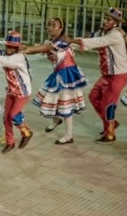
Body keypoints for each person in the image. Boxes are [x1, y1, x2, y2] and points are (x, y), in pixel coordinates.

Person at [26, 17, 87, 145]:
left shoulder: (63, 41)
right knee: (50, 99)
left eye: (54, 26)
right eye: (49, 25)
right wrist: (20, 49)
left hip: (67, 75)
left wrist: (25, 50)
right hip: (58, 74)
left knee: (65, 104)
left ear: (61, 28)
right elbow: (40, 49)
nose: (50, 28)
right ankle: (56, 120)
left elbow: (42, 49)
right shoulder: (49, 41)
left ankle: (69, 135)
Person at [74, 8, 127, 143]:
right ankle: (111, 122)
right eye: (105, 18)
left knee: (107, 103)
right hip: (107, 75)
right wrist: (68, 43)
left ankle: (110, 134)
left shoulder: (115, 35)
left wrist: (71, 40)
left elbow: (95, 42)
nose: (105, 21)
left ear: (116, 23)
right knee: (94, 96)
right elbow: (90, 41)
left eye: (109, 19)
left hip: (118, 75)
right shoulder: (104, 33)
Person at [0, 31, 34, 153]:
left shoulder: (18, 58)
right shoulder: (6, 53)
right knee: (6, 118)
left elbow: (5, 61)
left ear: (17, 48)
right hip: (11, 90)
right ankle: (10, 142)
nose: (9, 48)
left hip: (22, 92)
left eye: (12, 46)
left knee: (13, 115)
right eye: (7, 45)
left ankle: (27, 133)